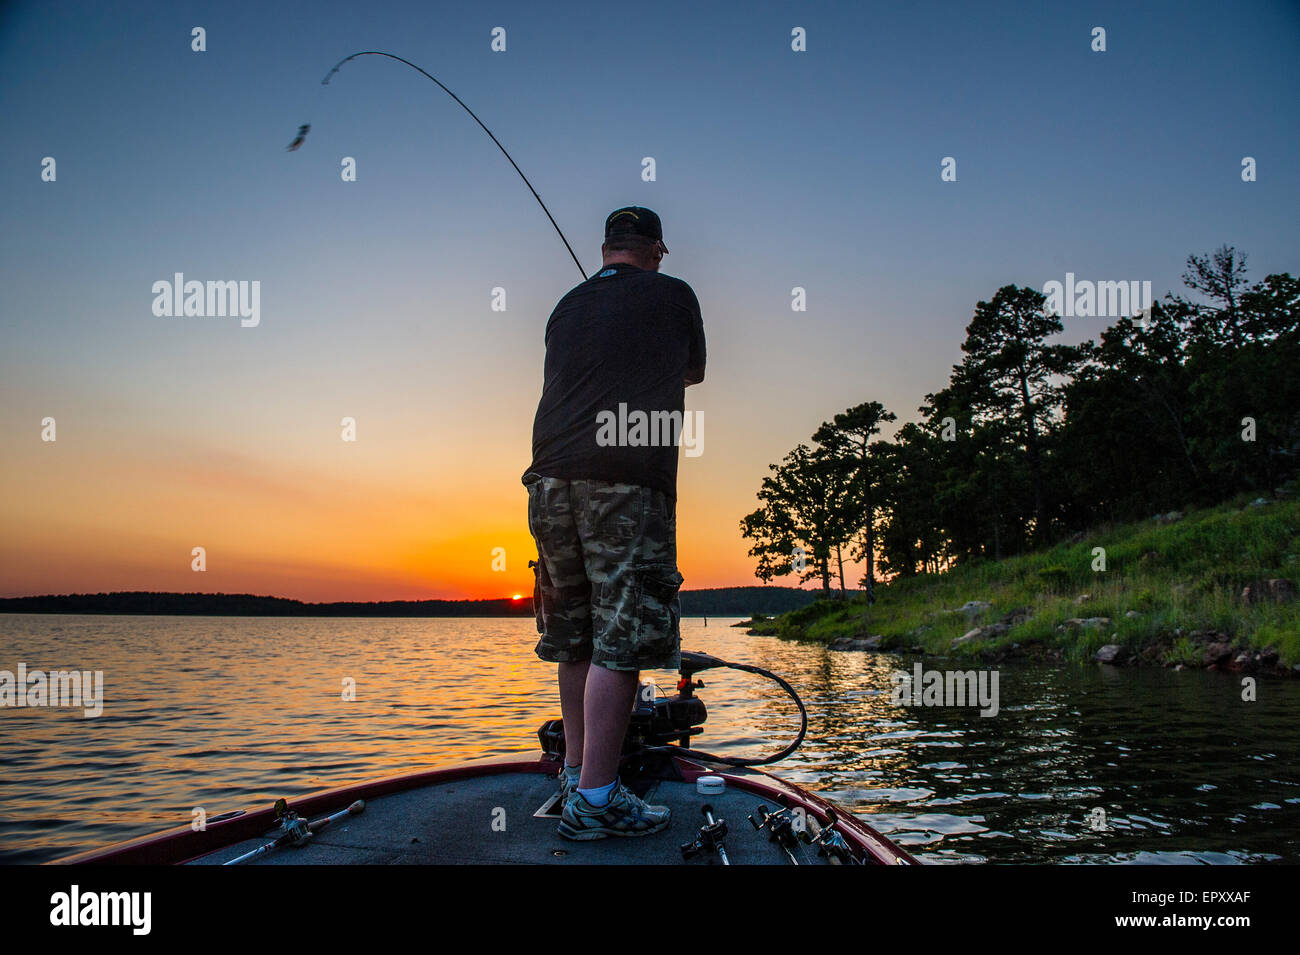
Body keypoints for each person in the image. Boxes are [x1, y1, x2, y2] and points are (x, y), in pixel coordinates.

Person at [523, 206, 705, 840]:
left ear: (605, 250)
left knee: (574, 632)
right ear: (654, 249)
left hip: (547, 482)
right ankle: (598, 801)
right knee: (623, 633)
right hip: (625, 482)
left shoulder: (564, 308)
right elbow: (690, 371)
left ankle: (577, 774)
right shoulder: (674, 293)